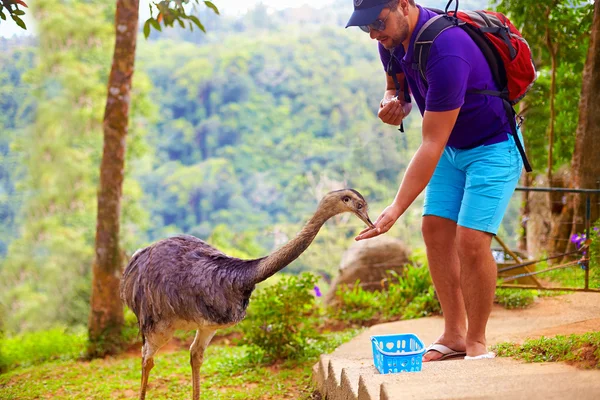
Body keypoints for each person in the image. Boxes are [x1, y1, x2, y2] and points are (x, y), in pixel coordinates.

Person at [346, 0, 523, 361]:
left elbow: (431, 141)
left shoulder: (446, 49)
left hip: (491, 148)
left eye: (378, 23)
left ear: (403, 5)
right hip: (451, 148)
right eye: (367, 28)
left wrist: (395, 208)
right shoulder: (393, 43)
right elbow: (395, 89)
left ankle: (476, 341)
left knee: (471, 240)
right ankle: (454, 334)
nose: (375, 35)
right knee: (435, 230)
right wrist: (390, 103)